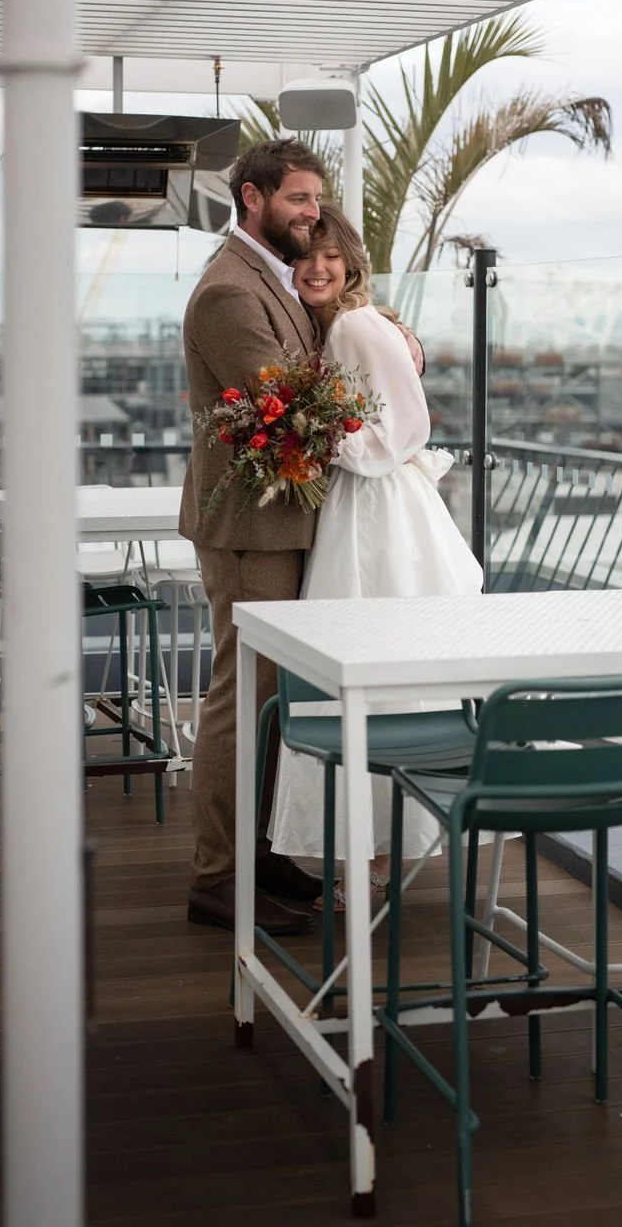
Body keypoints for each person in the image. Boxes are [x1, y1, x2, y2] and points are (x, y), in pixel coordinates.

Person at [181, 144, 426, 935]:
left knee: (275, 701)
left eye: (317, 199)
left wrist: (387, 338)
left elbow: (322, 370)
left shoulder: (273, 278)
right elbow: (288, 403)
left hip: (288, 519)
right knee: (243, 699)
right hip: (253, 528)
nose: (312, 211)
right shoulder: (230, 290)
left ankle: (261, 854)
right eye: (298, 198)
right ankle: (219, 876)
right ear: (253, 197)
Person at [267, 203, 485, 892]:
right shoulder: (343, 324)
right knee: (373, 670)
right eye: (305, 257)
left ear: (351, 264)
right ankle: (379, 850)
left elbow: (406, 427)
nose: (317, 268)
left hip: (374, 505)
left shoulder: (355, 325)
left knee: (361, 660)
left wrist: (317, 439)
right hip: (364, 500)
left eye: (331, 257)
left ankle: (371, 853)